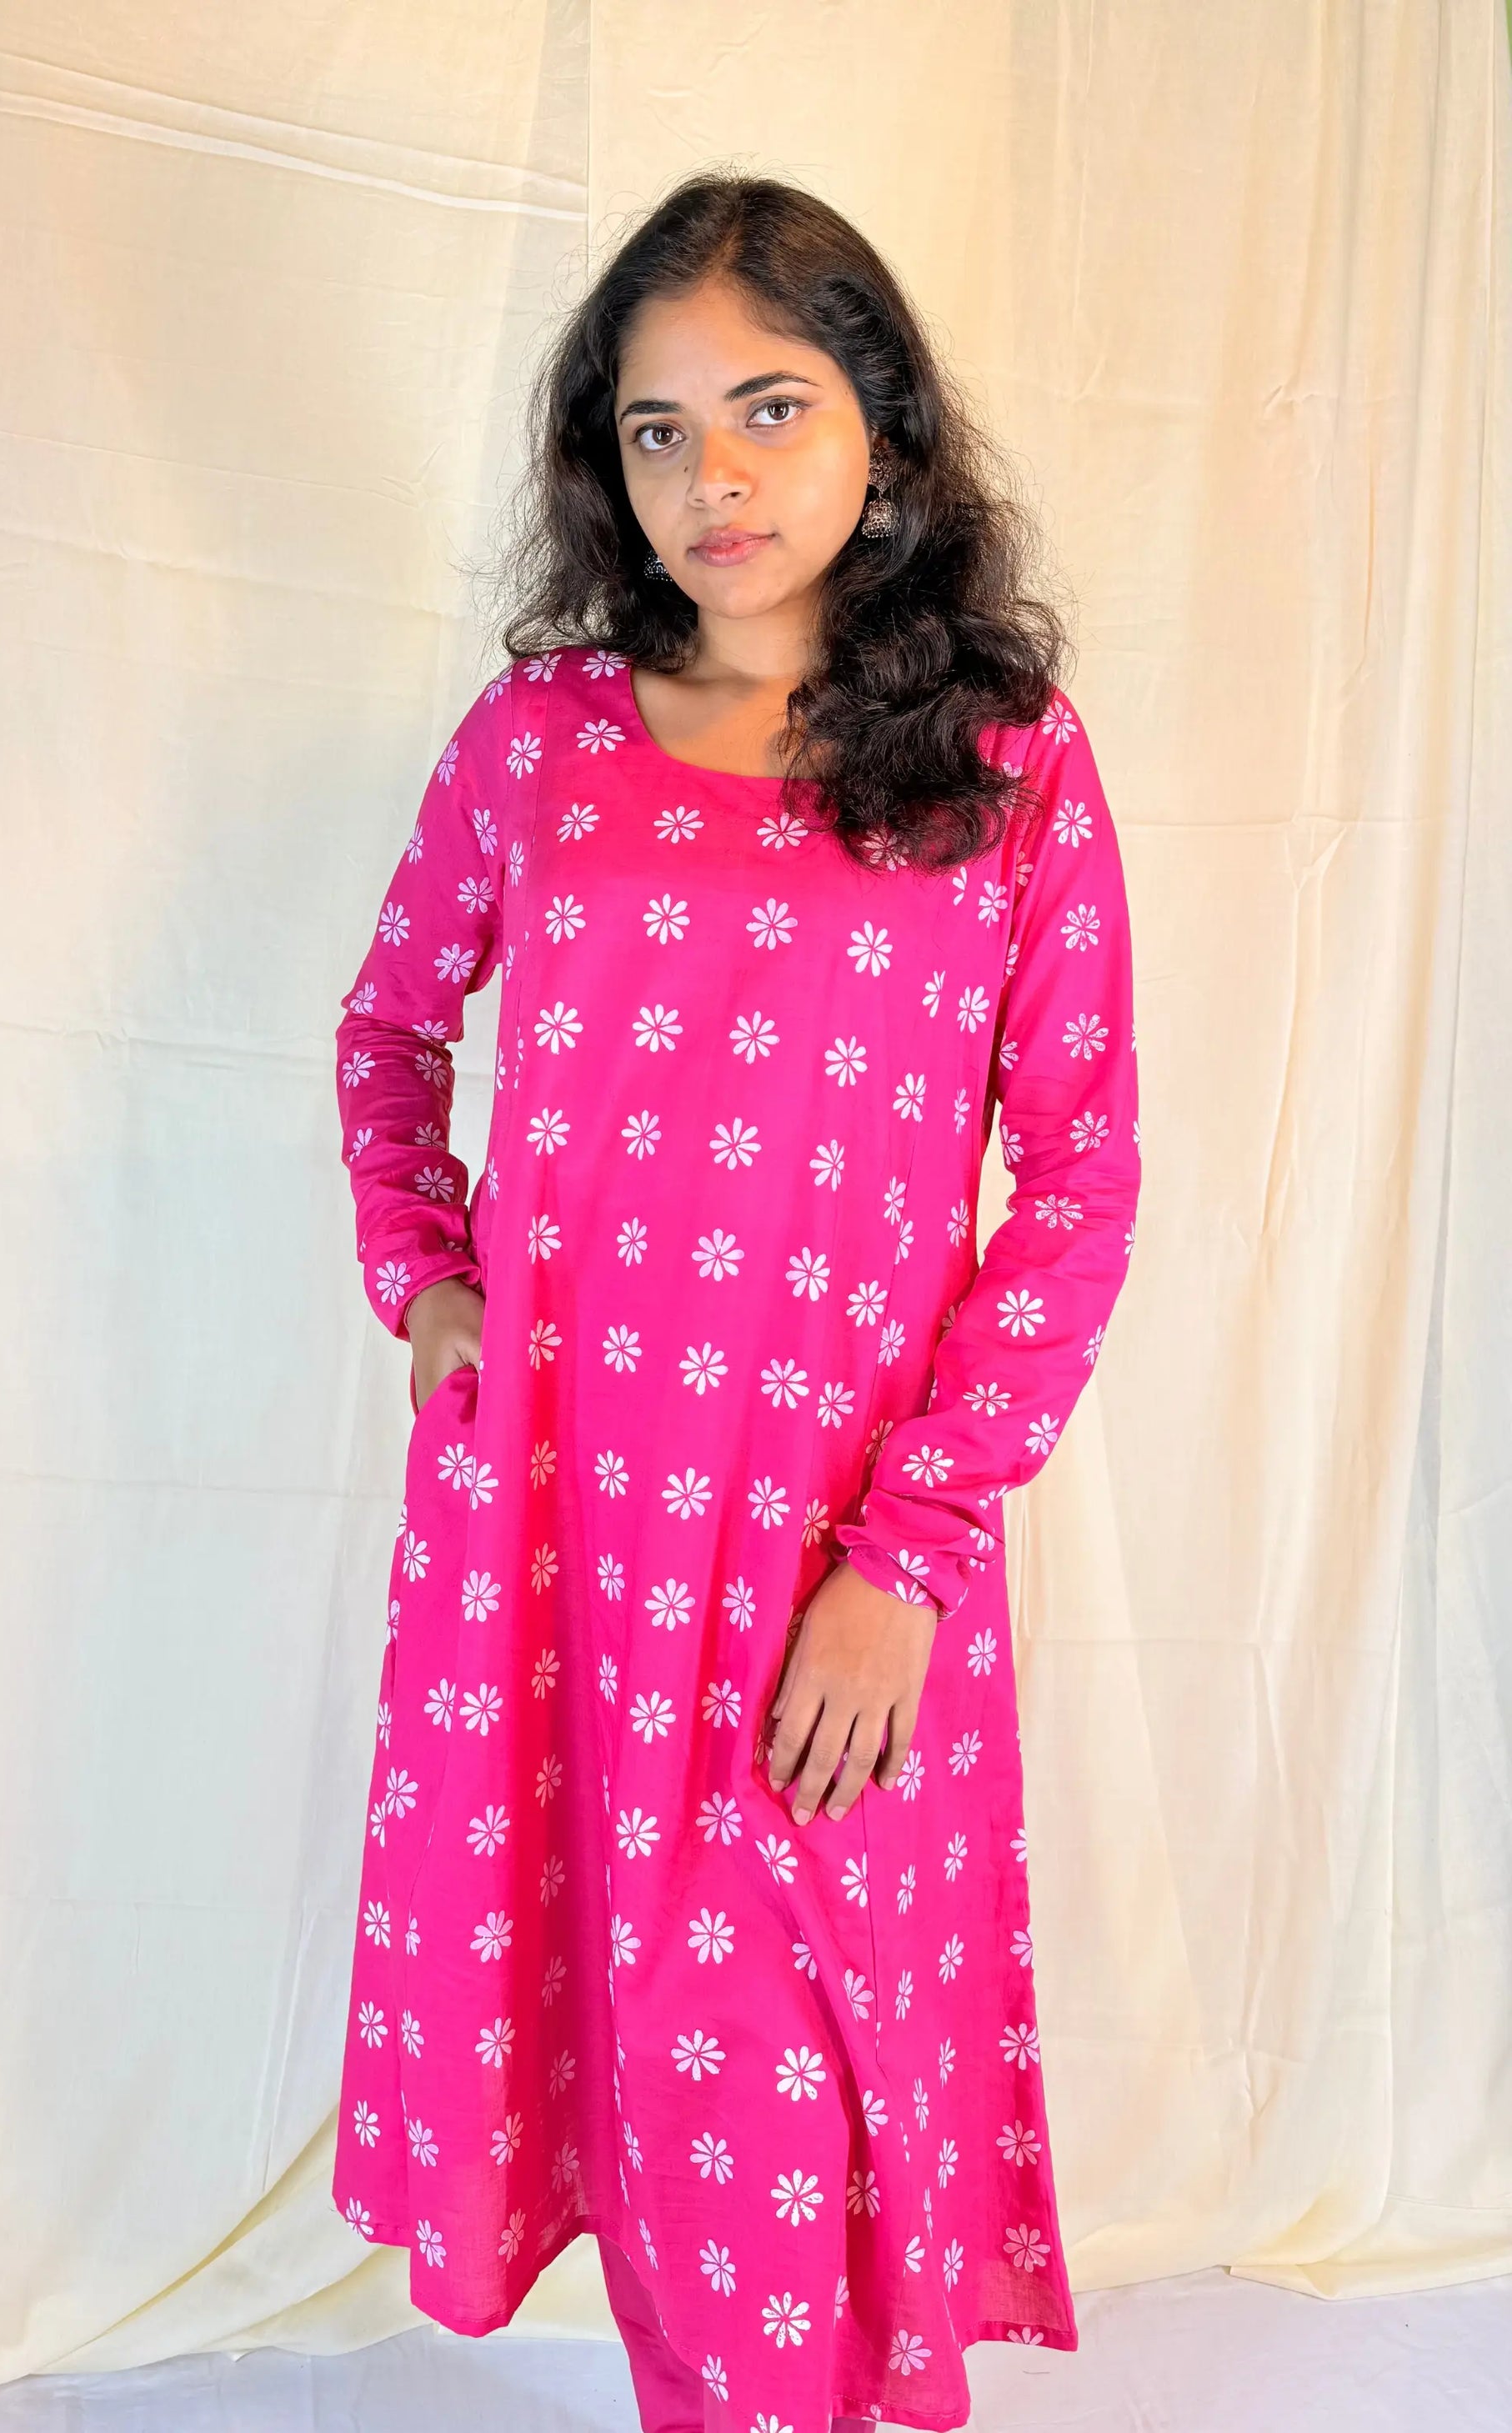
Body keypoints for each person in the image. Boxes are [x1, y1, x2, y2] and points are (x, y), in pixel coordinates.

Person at [329, 170, 1140, 2433]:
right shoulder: (541, 749)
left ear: (880, 417)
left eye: (769, 406)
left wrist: (910, 1554)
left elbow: (1078, 1179)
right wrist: (429, 1284)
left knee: (799, 2055)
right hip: (561, 1530)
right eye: (657, 431)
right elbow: (386, 1033)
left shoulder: (1005, 764)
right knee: (636, 2058)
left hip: (839, 1553)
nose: (716, 477)